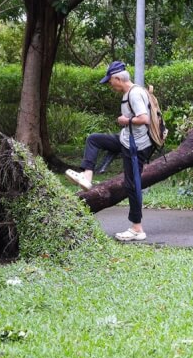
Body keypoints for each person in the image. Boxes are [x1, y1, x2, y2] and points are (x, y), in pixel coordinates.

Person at [65, 61, 153, 242]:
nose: (109, 85)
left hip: (136, 147)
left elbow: (144, 119)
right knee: (93, 139)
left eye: (110, 81)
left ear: (118, 78)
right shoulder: (131, 92)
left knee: (132, 185)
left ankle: (137, 229)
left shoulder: (135, 94)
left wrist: (124, 121)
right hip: (126, 140)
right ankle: (87, 177)